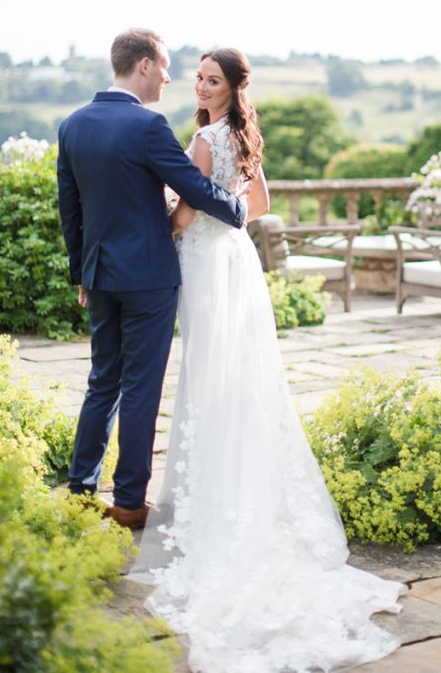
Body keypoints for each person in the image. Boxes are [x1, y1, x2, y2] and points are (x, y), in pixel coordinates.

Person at [132, 48, 406, 673]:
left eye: (211, 79)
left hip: (205, 264)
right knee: (237, 373)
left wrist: (164, 224)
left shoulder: (204, 137)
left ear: (231, 88)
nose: (201, 85)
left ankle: (217, 502)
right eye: (198, 76)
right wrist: (212, 216)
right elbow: (255, 208)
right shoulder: (243, 136)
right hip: (239, 261)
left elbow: (185, 212)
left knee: (208, 373)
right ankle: (241, 483)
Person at [57, 29, 246, 530]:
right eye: (164, 67)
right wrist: (239, 207)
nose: (168, 77)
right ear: (143, 65)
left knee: (103, 382)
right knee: (141, 387)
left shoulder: (73, 125)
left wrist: (81, 271)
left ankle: (79, 490)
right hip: (148, 279)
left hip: (98, 275)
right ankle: (128, 502)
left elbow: (70, 211)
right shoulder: (149, 126)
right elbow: (194, 188)